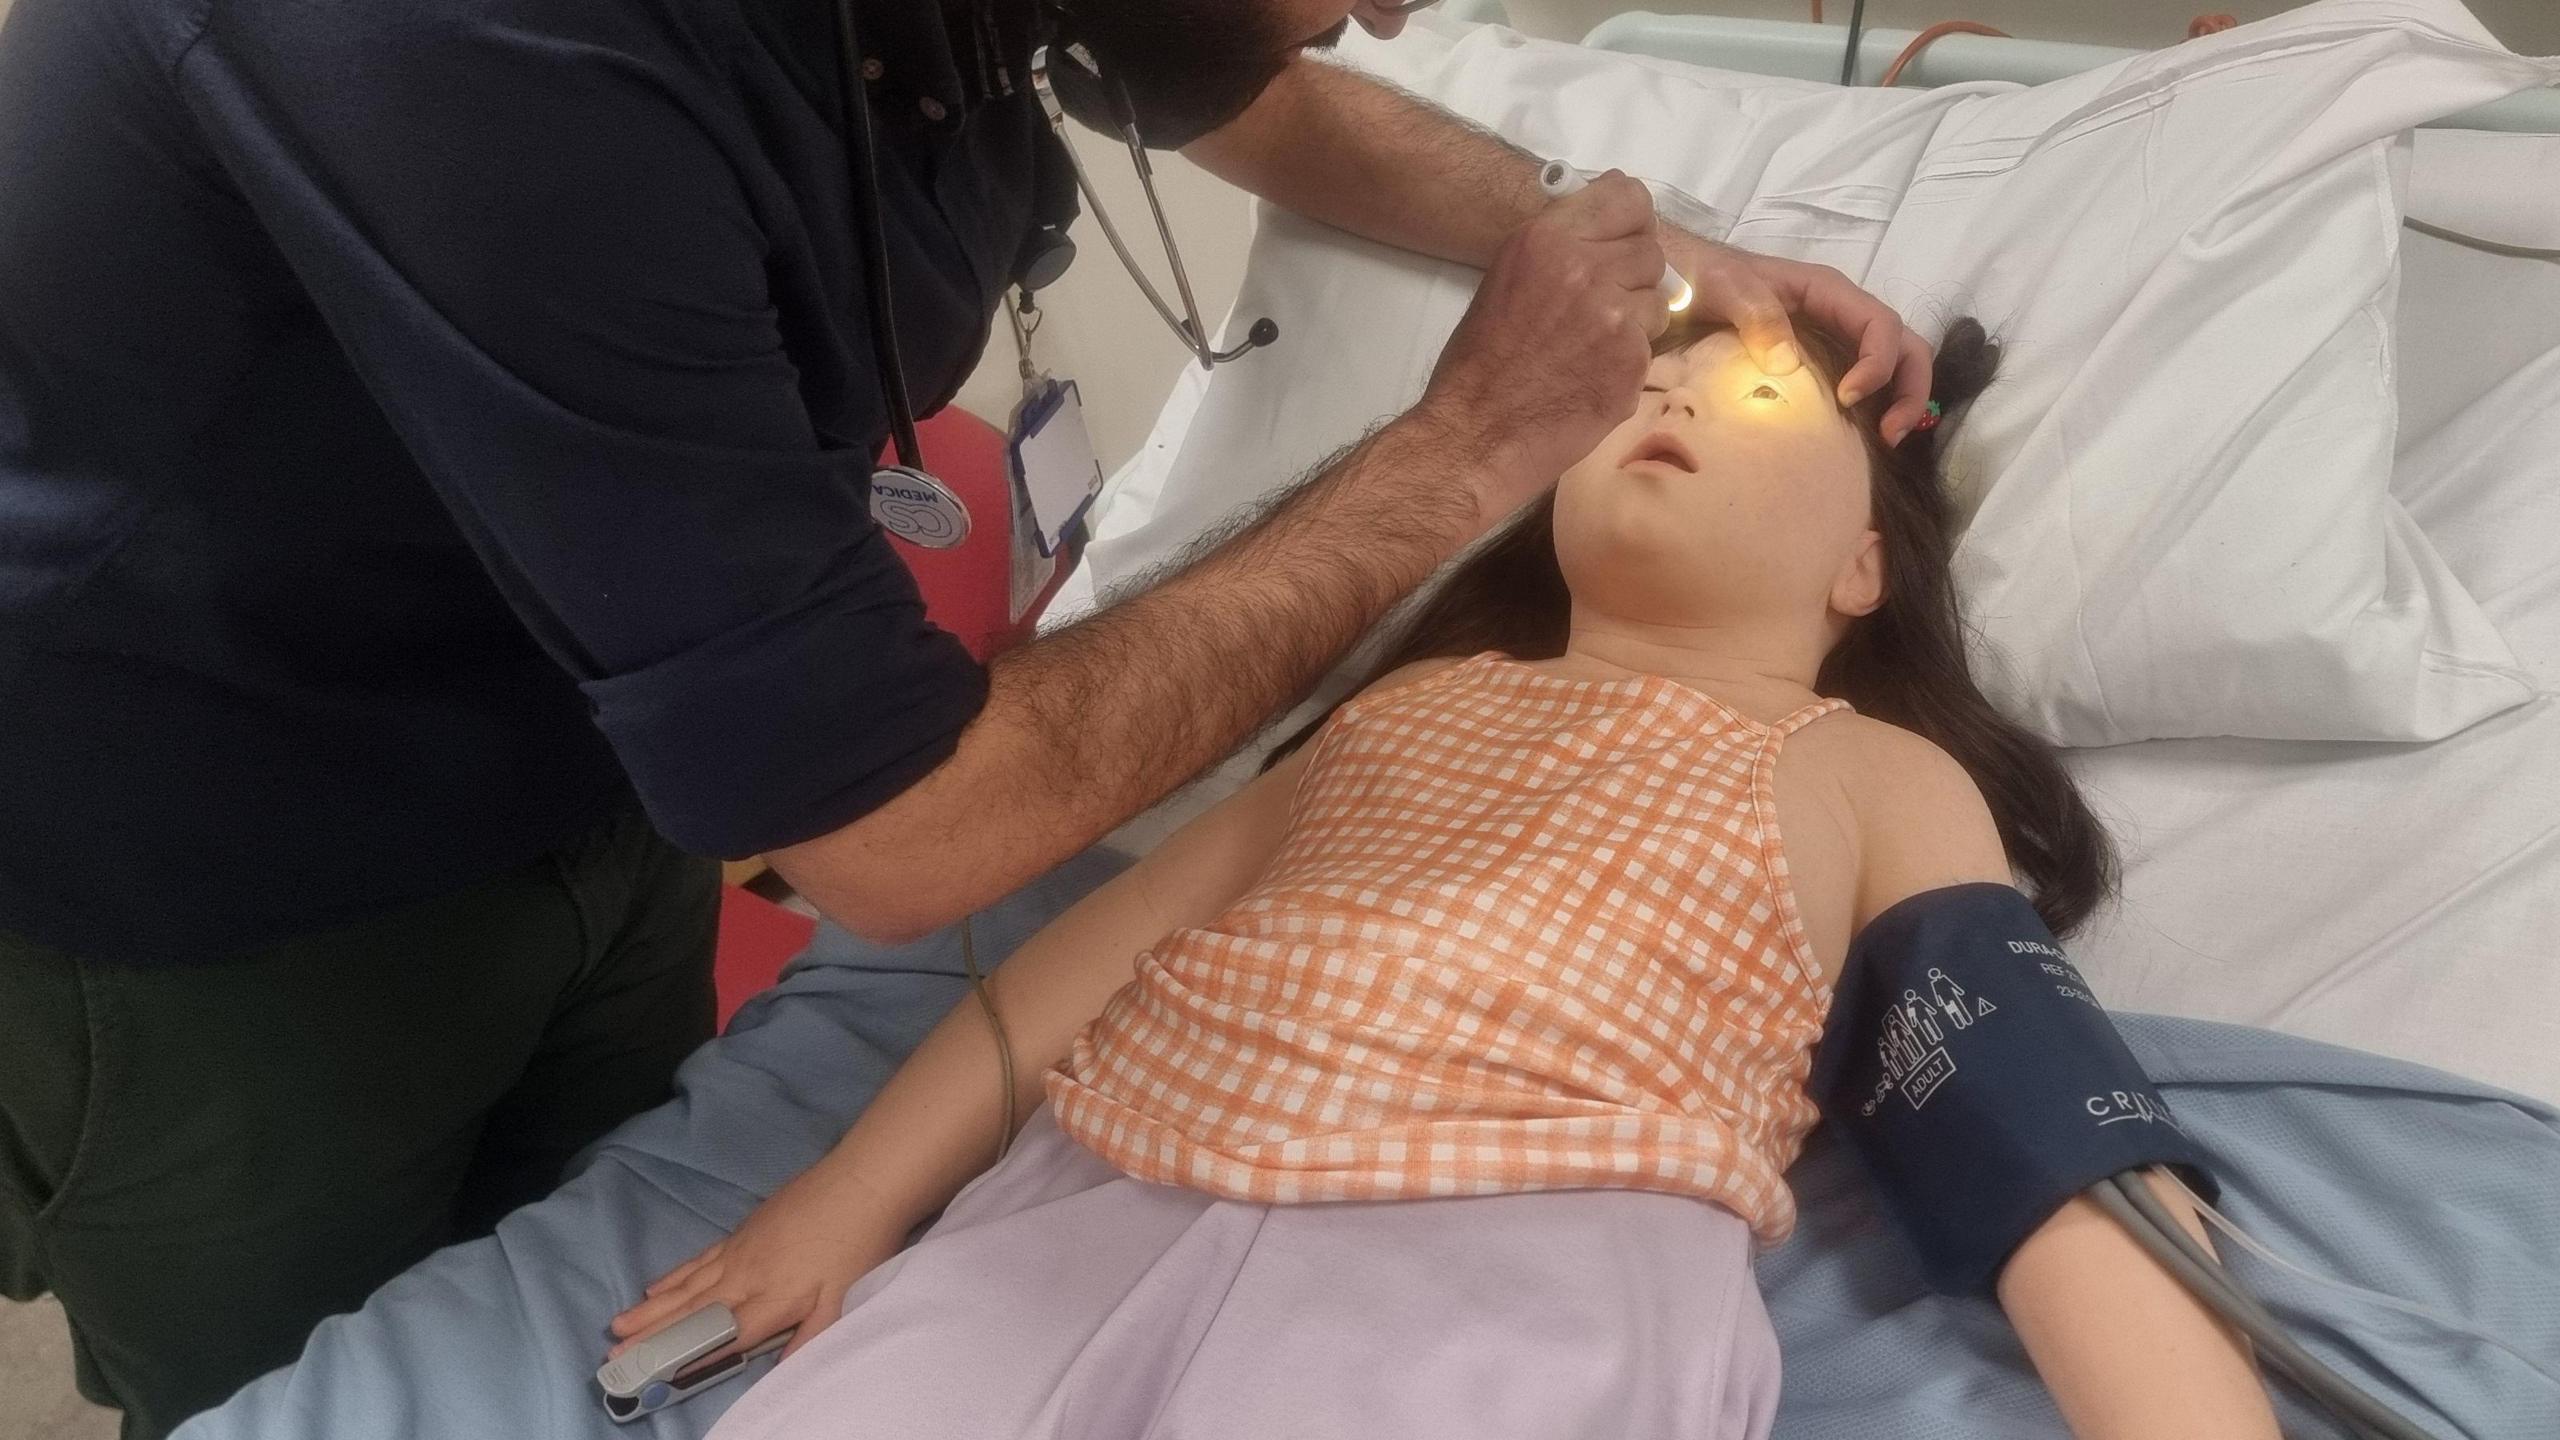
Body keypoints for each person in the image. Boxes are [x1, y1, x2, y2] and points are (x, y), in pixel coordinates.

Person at [0, 0, 1935, 1428]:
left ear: (1872, 574)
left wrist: (1661, 254)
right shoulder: (462, 48)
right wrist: (1467, 443)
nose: (1388, 15)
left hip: (594, 763)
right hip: (196, 854)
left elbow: (1252, 81)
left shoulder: (1886, 781)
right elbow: (947, 866)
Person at [607, 317, 2284, 1439]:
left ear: (1863, 563)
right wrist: (846, 1203)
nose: (1675, 391)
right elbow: (1094, 959)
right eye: (1645, 377)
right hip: (1090, 1195)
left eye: (1754, 389)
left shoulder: (1867, 770)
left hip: (1514, 1267)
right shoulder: (1406, 709)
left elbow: (2030, 1122)